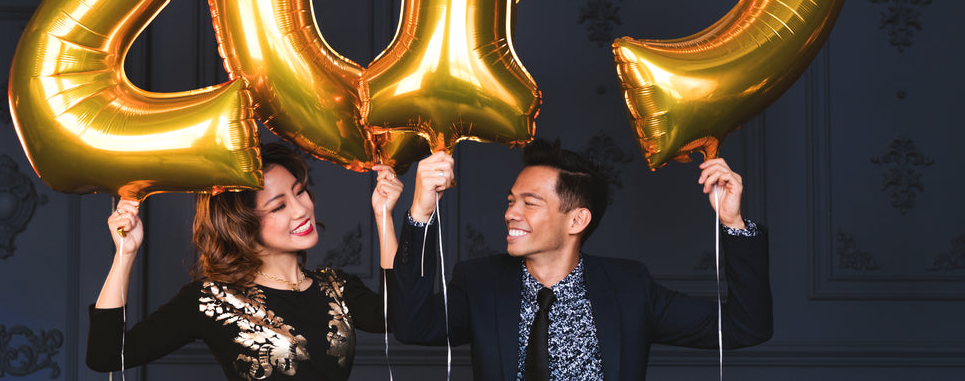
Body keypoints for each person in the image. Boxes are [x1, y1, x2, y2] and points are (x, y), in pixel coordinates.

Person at [391, 138, 773, 380]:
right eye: (511, 201)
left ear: (577, 219)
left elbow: (746, 328)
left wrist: (732, 222)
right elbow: (412, 326)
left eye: (530, 202)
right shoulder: (480, 282)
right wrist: (421, 213)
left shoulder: (630, 289)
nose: (511, 213)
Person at [86, 142, 404, 380]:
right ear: (243, 225)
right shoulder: (213, 300)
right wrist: (124, 255)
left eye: (300, 191)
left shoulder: (337, 287)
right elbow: (106, 355)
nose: (301, 209)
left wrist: (384, 216)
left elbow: (399, 317)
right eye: (279, 206)